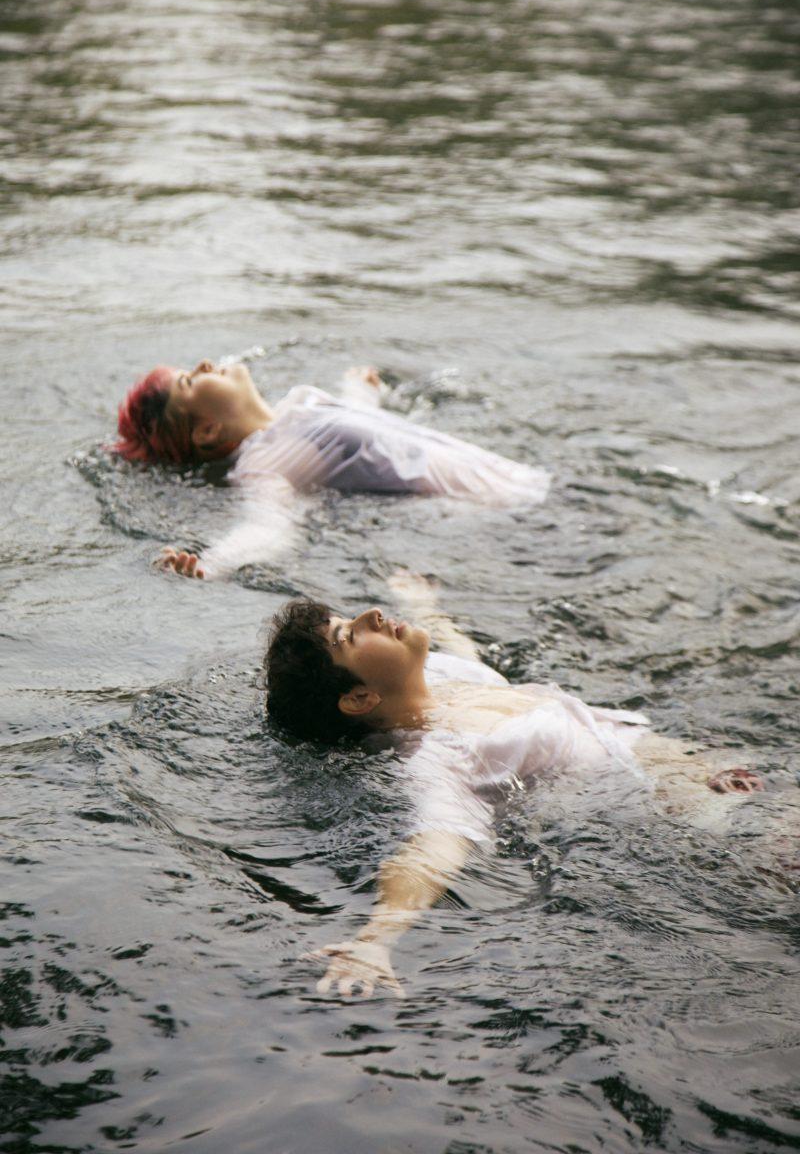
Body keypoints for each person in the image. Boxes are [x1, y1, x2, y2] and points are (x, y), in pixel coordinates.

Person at [264, 573, 764, 1000]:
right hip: (694, 822)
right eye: (349, 637)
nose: (372, 614)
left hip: (706, 769)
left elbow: (464, 652)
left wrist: (425, 606)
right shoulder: (439, 759)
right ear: (358, 699)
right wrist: (377, 938)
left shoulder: (440, 674)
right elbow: (433, 847)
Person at [114, 360, 550, 579]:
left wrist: (359, 392)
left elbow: (356, 432)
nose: (205, 364)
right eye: (190, 381)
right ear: (207, 431)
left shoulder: (300, 402)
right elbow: (270, 527)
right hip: (501, 517)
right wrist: (211, 564)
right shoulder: (264, 462)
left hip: (518, 482)